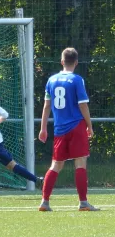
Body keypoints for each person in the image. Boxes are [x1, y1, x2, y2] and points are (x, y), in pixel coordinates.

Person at [38, 48, 99, 212]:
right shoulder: (77, 80)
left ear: (62, 61)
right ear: (76, 62)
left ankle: (44, 202)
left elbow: (46, 106)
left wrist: (43, 128)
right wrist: (89, 125)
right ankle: (83, 202)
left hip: (59, 129)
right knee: (80, 163)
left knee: (56, 165)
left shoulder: (51, 80)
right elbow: (82, 104)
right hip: (76, 126)